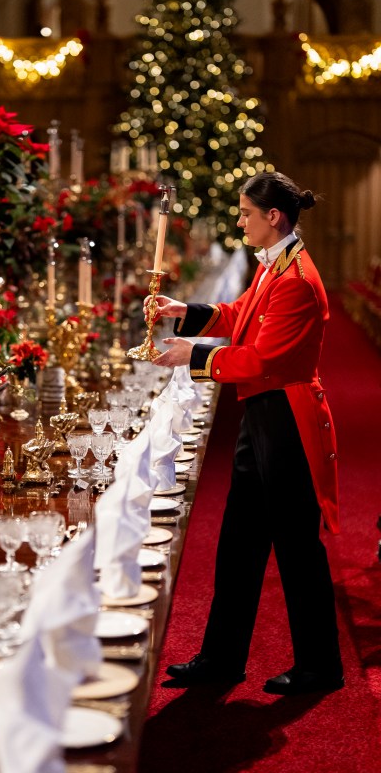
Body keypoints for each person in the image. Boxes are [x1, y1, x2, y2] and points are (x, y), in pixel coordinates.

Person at [150, 171, 343, 696]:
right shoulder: (274, 266)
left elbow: (263, 359)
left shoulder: (297, 279)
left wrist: (191, 355)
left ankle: (320, 667)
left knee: (297, 548)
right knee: (238, 543)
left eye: (244, 213)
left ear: (272, 216)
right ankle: (221, 658)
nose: (239, 221)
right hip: (262, 418)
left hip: (287, 421)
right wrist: (184, 314)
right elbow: (241, 316)